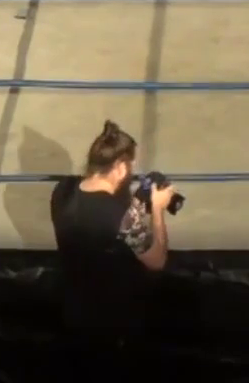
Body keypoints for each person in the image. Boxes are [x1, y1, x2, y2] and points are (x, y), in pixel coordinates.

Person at [49, 121, 175, 364]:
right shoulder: (121, 216)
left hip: (74, 310)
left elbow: (106, 216)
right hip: (113, 321)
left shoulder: (62, 190)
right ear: (119, 167)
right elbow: (156, 260)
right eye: (130, 165)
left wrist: (137, 203)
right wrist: (158, 209)